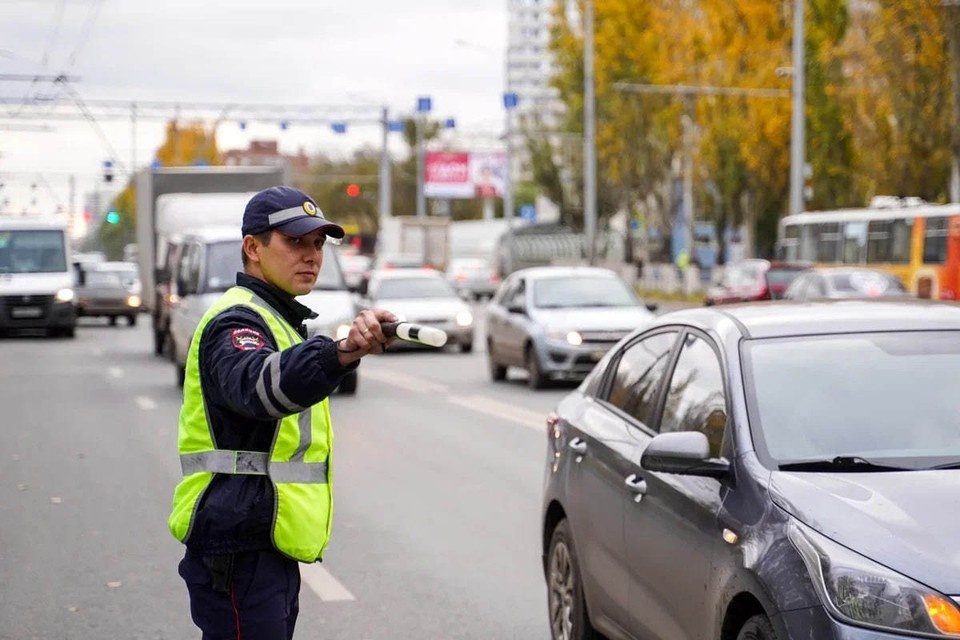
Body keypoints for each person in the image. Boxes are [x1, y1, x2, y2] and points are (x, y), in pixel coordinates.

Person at [168, 186, 397, 639]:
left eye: (317, 244)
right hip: (238, 541)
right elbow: (261, 389)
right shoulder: (235, 321)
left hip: (263, 538)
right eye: (294, 241)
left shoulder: (280, 320)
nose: (311, 255)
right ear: (252, 248)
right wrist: (341, 351)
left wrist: (343, 352)